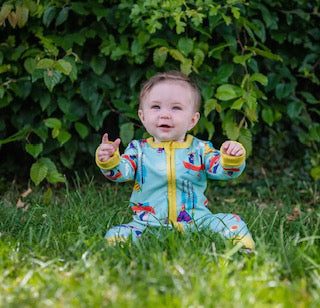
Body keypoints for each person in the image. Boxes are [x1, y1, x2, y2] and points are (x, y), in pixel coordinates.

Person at [95, 71, 255, 250]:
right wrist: (110, 160)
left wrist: (231, 159)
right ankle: (118, 247)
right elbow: (120, 173)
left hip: (198, 220)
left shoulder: (201, 150)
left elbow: (223, 171)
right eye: (156, 107)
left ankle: (242, 245)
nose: (164, 115)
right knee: (117, 234)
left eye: (176, 108)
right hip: (147, 223)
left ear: (192, 120)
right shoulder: (137, 150)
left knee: (230, 221)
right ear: (142, 116)